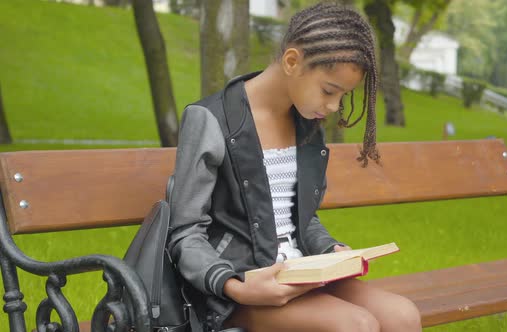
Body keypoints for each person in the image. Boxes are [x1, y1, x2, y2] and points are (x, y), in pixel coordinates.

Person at [168, 3, 422, 332]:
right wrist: (236, 285)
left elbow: (298, 218)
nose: (333, 106)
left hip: (299, 273)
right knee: (354, 326)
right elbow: (185, 235)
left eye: (343, 96)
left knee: (403, 316)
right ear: (292, 61)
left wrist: (331, 250)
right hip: (238, 288)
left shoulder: (306, 124)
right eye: (329, 90)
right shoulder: (212, 120)